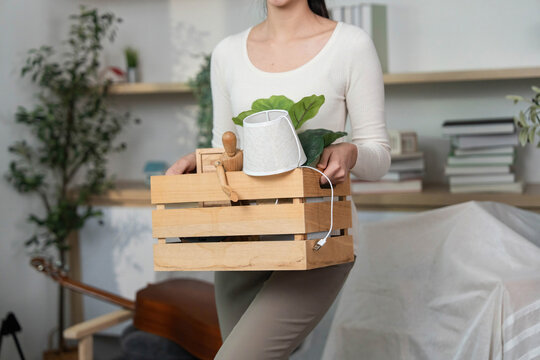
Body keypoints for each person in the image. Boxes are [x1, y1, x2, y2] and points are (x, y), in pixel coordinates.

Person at [166, 0, 391, 358]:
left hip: (319, 239)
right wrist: (198, 161)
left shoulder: (350, 44)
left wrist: (351, 152)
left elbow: (379, 155)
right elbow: (227, 150)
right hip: (242, 239)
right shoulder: (227, 53)